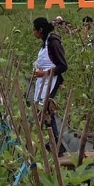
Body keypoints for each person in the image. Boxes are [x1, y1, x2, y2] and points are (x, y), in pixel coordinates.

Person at [32, 16, 68, 150]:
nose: (33, 32)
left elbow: (63, 66)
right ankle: (52, 143)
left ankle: (56, 145)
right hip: (44, 81)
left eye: (34, 30)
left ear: (40, 30)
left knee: (47, 110)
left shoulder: (53, 43)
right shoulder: (45, 42)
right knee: (44, 110)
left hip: (52, 81)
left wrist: (44, 73)